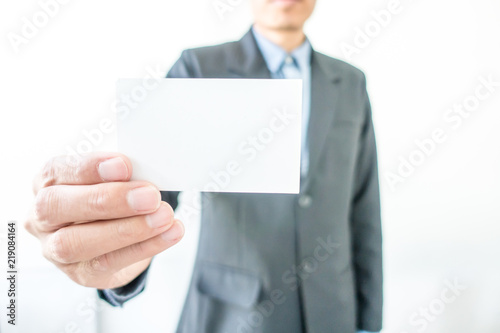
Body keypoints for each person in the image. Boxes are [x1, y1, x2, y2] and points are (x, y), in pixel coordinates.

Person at [25, 0, 383, 332]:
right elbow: (156, 189)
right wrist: (118, 253)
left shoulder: (351, 82)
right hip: (232, 311)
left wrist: (370, 318)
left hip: (333, 308)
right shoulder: (200, 68)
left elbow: (364, 205)